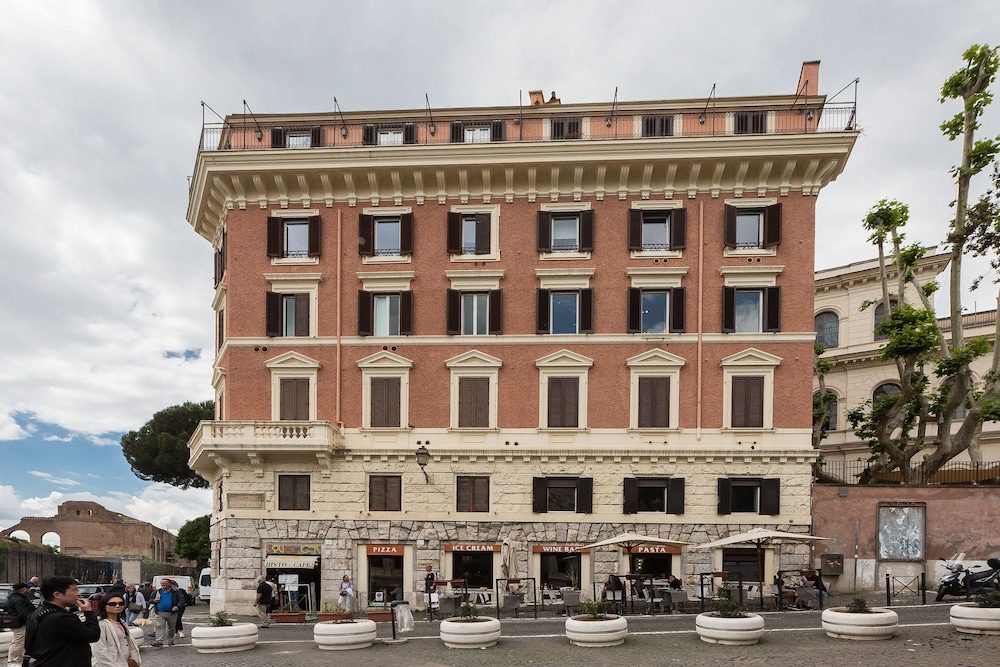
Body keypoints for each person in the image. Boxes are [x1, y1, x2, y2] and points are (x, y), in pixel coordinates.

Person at [24, 576, 101, 667]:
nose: (78, 594)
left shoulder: (36, 613)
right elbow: (92, 635)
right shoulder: (62, 618)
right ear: (57, 595)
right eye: (74, 590)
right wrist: (89, 612)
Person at [91, 593, 141, 667]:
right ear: (104, 606)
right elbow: (98, 649)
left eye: (120, 603)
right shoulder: (100, 624)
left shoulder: (122, 623)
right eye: (112, 604)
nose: (117, 606)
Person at [5, 582, 35, 667]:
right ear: (23, 589)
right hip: (20, 624)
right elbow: (23, 613)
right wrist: (31, 621)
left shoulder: (18, 598)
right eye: (27, 588)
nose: (28, 590)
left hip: (20, 623)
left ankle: (19, 660)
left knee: (21, 642)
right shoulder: (18, 600)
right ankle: (14, 661)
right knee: (18, 642)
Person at [149, 577, 183, 647]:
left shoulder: (176, 592)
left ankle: (170, 641)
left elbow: (182, 600)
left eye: (164, 583)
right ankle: (159, 641)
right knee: (160, 626)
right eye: (161, 583)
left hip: (172, 613)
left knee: (171, 627)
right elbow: (150, 599)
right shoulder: (157, 591)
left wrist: (177, 606)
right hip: (159, 612)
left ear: (169, 584)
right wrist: (154, 601)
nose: (162, 584)